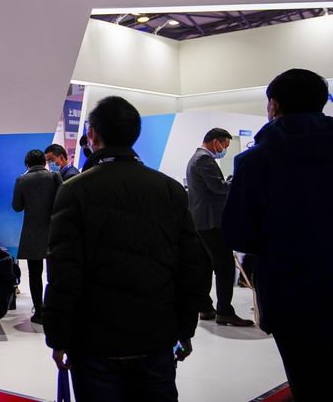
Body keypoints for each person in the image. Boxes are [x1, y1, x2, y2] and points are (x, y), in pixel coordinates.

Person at [44, 96, 206, 402]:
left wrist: (59, 336)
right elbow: (191, 266)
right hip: (157, 335)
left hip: (95, 341)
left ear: (92, 135)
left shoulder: (75, 190)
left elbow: (65, 272)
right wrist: (185, 328)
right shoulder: (168, 188)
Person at [222, 68, 333, 402]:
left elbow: (238, 233)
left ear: (274, 105)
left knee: (308, 380)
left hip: (291, 294)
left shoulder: (255, 162)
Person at [186, 128, 254, 327]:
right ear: (216, 141)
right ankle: (225, 311)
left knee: (205, 266)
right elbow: (218, 188)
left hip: (201, 222)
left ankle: (205, 307)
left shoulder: (196, 158)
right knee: (224, 267)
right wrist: (236, 182)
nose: (224, 149)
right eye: (224, 145)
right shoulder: (204, 160)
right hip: (211, 222)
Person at [12, 149, 61, 324]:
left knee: (34, 274)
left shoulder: (22, 180)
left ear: (27, 164)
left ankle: (39, 311)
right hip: (54, 231)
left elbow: (17, 206)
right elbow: (62, 201)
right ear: (44, 162)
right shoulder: (54, 177)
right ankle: (54, 309)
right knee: (54, 273)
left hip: (32, 232)